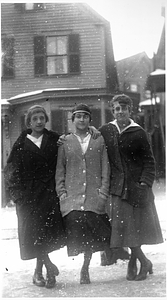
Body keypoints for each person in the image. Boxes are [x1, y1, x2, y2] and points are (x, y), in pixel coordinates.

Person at [99, 94, 163, 281]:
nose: (120, 112)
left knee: (137, 228)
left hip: (137, 186)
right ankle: (143, 261)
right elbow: (90, 140)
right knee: (124, 229)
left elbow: (149, 162)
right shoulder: (106, 131)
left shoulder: (139, 132)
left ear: (130, 110)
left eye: (124, 108)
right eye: (117, 109)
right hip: (117, 188)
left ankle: (134, 261)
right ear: (113, 111)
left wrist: (144, 183)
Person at [4, 105, 66, 289]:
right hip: (28, 197)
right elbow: (10, 171)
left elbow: (74, 143)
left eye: (41, 118)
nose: (39, 121)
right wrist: (17, 196)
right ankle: (47, 266)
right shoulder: (21, 143)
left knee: (45, 234)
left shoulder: (54, 139)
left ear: (45, 119)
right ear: (29, 122)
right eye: (35, 119)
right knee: (34, 234)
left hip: (48, 195)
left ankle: (39, 271)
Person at [55, 103, 111, 284]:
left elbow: (106, 168)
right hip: (72, 197)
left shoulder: (98, 140)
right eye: (78, 116)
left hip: (94, 196)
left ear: (90, 120)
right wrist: (61, 191)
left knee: (94, 231)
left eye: (85, 116)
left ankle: (86, 267)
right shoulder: (65, 142)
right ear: (72, 120)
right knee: (78, 232)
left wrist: (103, 191)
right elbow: (60, 170)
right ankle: (84, 264)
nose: (81, 119)